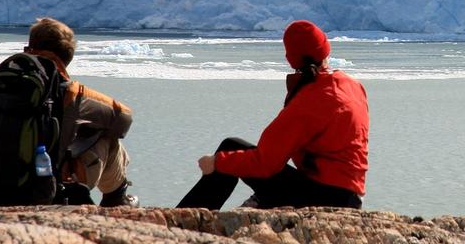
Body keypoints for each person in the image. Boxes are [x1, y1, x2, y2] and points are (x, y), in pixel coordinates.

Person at [177, 20, 369, 209]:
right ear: (326, 49)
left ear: (291, 57)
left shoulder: (312, 98)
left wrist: (216, 162)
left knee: (231, 146)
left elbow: (265, 162)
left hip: (325, 198)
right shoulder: (352, 86)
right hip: (351, 197)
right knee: (241, 157)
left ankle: (181, 222)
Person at [23, 17, 138, 207]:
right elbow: (124, 118)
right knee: (106, 138)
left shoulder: (5, 82)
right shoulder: (72, 94)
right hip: (48, 188)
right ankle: (116, 200)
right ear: (67, 56)